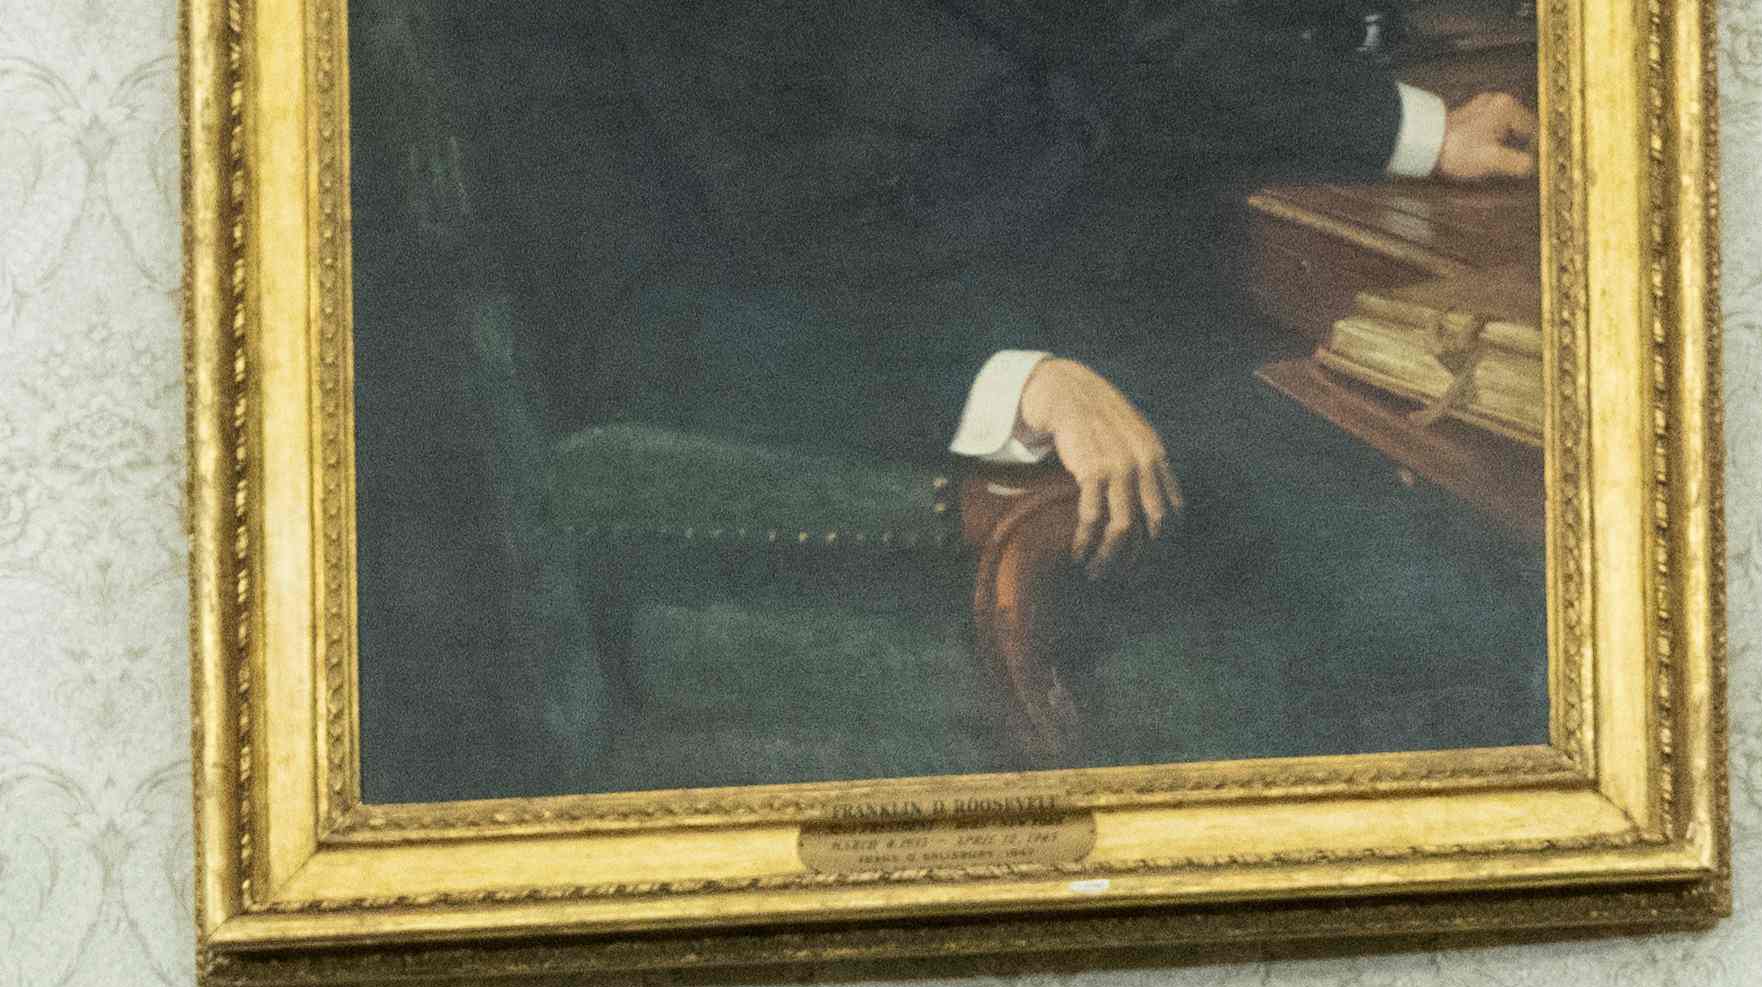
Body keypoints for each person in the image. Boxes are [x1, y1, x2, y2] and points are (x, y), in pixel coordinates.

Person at [508, 0, 1545, 759]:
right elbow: (637, 324)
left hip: (1161, 341)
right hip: (954, 446)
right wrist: (1013, 383)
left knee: (1496, 514)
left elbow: (1135, 44)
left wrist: (1417, 131)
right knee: (1468, 607)